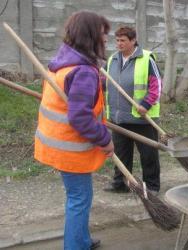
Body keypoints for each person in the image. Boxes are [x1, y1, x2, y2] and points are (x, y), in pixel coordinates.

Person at [34, 11, 114, 250]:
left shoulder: (65, 62)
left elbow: (76, 96)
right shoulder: (83, 72)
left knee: (80, 197)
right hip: (70, 149)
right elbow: (80, 117)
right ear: (91, 36)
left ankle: (81, 239)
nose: (107, 40)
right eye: (103, 34)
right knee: (79, 199)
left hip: (56, 143)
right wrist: (105, 139)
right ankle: (76, 246)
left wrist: (99, 84)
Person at [103, 26, 162, 195]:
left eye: (123, 40)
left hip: (141, 118)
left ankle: (151, 187)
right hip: (118, 117)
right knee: (121, 154)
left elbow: (156, 85)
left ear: (133, 40)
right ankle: (120, 184)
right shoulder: (113, 59)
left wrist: (146, 104)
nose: (119, 44)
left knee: (148, 155)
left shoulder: (146, 59)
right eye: (117, 40)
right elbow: (105, 82)